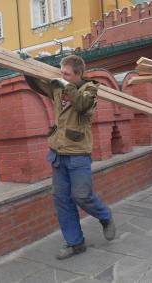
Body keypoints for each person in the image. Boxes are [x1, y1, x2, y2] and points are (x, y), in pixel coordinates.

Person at [24, 55, 116, 260]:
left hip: (78, 154)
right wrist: (26, 67)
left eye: (66, 73)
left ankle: (105, 216)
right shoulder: (58, 87)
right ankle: (75, 243)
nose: (61, 75)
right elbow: (38, 86)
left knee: (82, 195)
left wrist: (66, 86)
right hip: (58, 153)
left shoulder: (90, 90)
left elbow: (82, 105)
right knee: (62, 200)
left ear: (78, 74)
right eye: (60, 71)